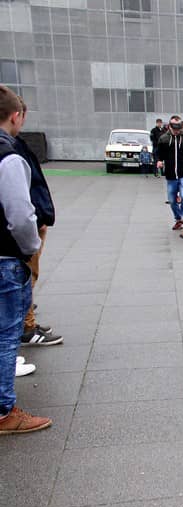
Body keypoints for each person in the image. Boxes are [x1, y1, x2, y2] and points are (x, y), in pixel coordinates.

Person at [0, 85, 51, 434]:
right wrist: (30, 247)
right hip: (5, 255)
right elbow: (19, 214)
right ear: (16, 116)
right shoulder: (8, 156)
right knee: (6, 334)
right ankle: (4, 411)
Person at [13, 99, 63, 348]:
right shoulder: (11, 150)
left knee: (24, 278)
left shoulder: (13, 145)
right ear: (16, 116)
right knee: (24, 276)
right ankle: (26, 327)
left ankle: (25, 322)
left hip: (26, 225)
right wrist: (35, 227)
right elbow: (18, 201)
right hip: (22, 230)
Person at [156, 115, 183, 230]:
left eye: (178, 128)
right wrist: (159, 161)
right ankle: (178, 219)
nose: (176, 131)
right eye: (174, 128)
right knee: (172, 200)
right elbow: (158, 153)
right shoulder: (163, 139)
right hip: (170, 174)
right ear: (169, 127)